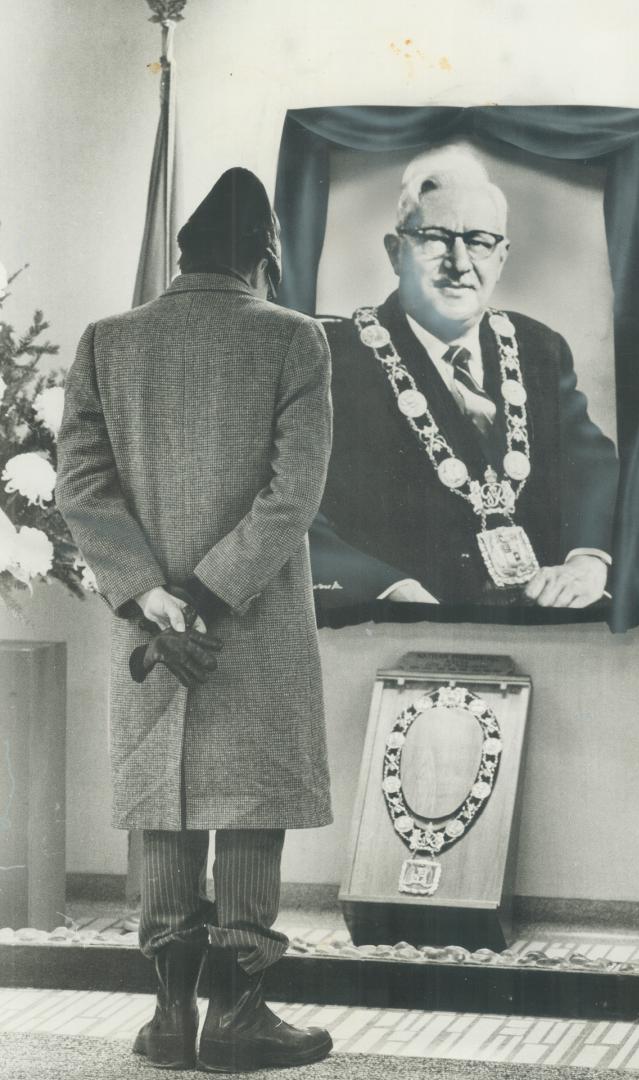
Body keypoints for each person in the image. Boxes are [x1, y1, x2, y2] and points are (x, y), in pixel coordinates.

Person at [56, 168, 334, 1072]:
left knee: (164, 801)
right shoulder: (297, 341)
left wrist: (151, 597)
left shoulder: (106, 340)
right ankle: (240, 1018)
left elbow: (82, 489)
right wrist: (211, 596)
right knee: (250, 803)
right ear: (263, 254)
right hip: (247, 618)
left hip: (149, 625)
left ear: (179, 254)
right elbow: (294, 496)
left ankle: (170, 1019)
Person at [313, 146, 619, 614]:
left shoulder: (539, 347)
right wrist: (385, 589)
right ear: (395, 252)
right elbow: (292, 510)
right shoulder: (331, 357)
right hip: (399, 626)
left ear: (502, 256)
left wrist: (587, 561)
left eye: (479, 241)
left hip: (544, 626)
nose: (459, 262)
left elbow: (593, 468)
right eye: (435, 238)